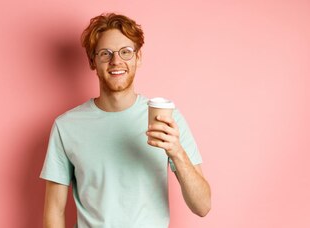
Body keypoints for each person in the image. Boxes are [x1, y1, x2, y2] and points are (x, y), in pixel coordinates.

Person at [40, 13, 211, 228]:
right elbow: (54, 210)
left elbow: (202, 206)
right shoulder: (66, 127)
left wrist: (176, 152)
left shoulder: (168, 119)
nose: (116, 61)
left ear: (138, 58)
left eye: (125, 52)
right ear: (93, 61)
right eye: (105, 53)